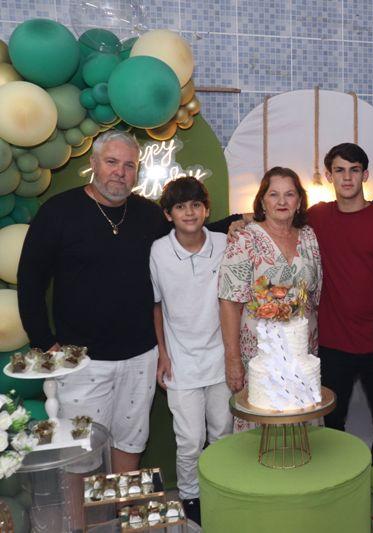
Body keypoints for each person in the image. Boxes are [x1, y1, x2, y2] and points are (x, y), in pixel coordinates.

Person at [17, 130, 242, 473]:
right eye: (112, 162)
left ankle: (127, 507)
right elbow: (30, 281)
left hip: (141, 358)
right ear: (94, 163)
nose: (120, 172)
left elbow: (190, 231)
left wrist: (238, 222)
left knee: (130, 443)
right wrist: (45, 343)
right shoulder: (58, 212)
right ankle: (85, 511)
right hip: (83, 363)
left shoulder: (147, 214)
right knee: (80, 455)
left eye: (129, 165)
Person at [307, 142, 373, 463]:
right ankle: (338, 478)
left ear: (365, 175)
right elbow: (275, 218)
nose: (347, 177)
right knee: (330, 419)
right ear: (329, 176)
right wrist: (237, 221)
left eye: (354, 170)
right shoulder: (316, 216)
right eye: (339, 170)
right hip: (333, 340)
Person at [149, 177, 232, 525]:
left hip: (221, 358)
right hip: (181, 362)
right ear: (169, 214)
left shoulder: (224, 243)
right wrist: (163, 354)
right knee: (190, 440)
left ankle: (223, 489)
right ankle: (191, 496)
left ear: (206, 210)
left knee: (223, 432)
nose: (189, 212)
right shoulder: (158, 251)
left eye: (196, 205)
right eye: (180, 207)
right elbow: (156, 306)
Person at [219, 167, 322, 432]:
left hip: (302, 352)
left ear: (299, 201)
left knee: (301, 427)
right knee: (261, 426)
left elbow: (315, 296)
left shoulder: (309, 236)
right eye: (274, 194)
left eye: (290, 194)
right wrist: (232, 359)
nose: (282, 201)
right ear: (262, 201)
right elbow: (229, 302)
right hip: (259, 354)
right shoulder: (244, 238)